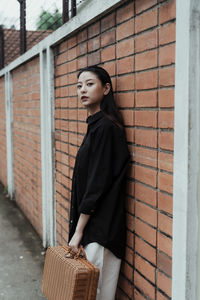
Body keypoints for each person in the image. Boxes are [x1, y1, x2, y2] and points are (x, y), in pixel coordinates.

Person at [68, 65, 130, 300]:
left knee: (96, 295)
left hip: (101, 232)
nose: (82, 89)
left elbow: (97, 185)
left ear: (106, 88)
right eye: (79, 85)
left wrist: (78, 232)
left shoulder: (105, 128)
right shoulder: (96, 125)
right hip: (94, 229)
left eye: (89, 84)